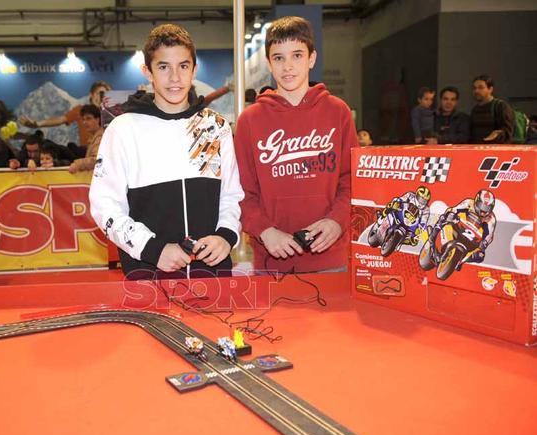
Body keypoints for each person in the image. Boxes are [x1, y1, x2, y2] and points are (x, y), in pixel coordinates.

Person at [89, 23, 244, 280]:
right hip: (148, 275)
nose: (175, 78)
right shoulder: (123, 129)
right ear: (147, 72)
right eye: (163, 67)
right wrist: (153, 249)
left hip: (213, 276)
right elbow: (105, 206)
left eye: (183, 66)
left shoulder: (215, 127)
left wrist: (225, 236)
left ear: (194, 70)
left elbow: (231, 195)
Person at [234, 16, 357, 274]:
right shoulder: (250, 120)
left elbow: (351, 181)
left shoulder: (338, 112)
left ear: (312, 58)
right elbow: (242, 191)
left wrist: (337, 221)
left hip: (330, 258)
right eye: (279, 58)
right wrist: (265, 231)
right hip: (271, 261)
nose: (288, 66)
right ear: (269, 63)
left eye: (297, 56)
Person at [19, 81, 112, 147]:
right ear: (91, 94)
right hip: (87, 150)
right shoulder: (81, 110)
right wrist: (37, 124)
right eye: (99, 93)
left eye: (104, 94)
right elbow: (60, 119)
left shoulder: (112, 113)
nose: (101, 97)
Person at [430, 190, 496, 266]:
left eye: (487, 208)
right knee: (444, 218)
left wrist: (485, 243)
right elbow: (454, 209)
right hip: (459, 226)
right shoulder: (468, 203)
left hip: (473, 238)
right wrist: (451, 214)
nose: (483, 211)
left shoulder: (491, 219)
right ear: (477, 201)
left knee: (481, 256)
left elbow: (490, 235)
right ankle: (432, 238)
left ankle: (460, 262)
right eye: (482, 206)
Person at [469, 75, 514, 144]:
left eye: (481, 87)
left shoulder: (501, 106)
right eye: (474, 88)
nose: (476, 91)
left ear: (490, 89)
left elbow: (508, 132)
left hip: (495, 151)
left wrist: (497, 135)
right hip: (478, 150)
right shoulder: (475, 109)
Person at [68, 105, 104, 173]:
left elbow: (97, 160)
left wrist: (78, 164)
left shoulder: (100, 137)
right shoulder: (94, 137)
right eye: (83, 119)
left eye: (88, 118)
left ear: (97, 119)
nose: (84, 122)